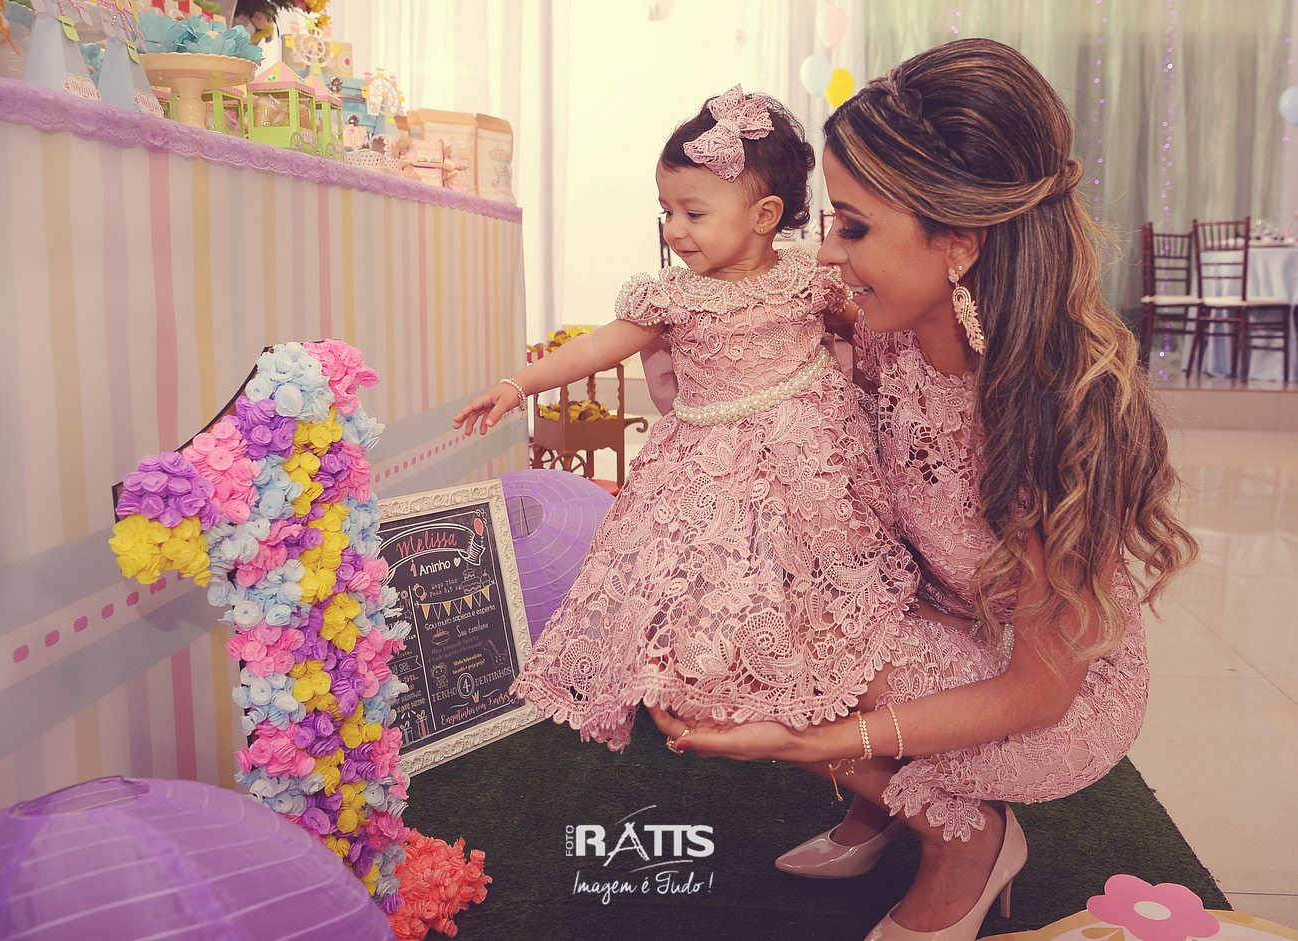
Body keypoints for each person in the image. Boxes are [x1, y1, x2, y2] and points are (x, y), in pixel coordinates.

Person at [647, 39, 1198, 939]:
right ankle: (888, 802)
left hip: (1043, 697)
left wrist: (810, 739)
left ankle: (965, 838)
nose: (827, 253)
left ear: (959, 244)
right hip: (929, 610)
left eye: (853, 228)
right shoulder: (887, 328)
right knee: (697, 634)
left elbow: (1038, 692)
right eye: (831, 222)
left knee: (742, 668)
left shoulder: (1052, 416)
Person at [453, 85, 918, 753]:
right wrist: (518, 383)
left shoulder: (809, 278)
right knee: (718, 586)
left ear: (764, 215)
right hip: (708, 467)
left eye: (693, 212)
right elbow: (598, 346)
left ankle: (837, 689)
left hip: (811, 457)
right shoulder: (670, 297)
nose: (674, 229)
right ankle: (737, 684)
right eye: (667, 210)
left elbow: (873, 328)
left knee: (821, 578)